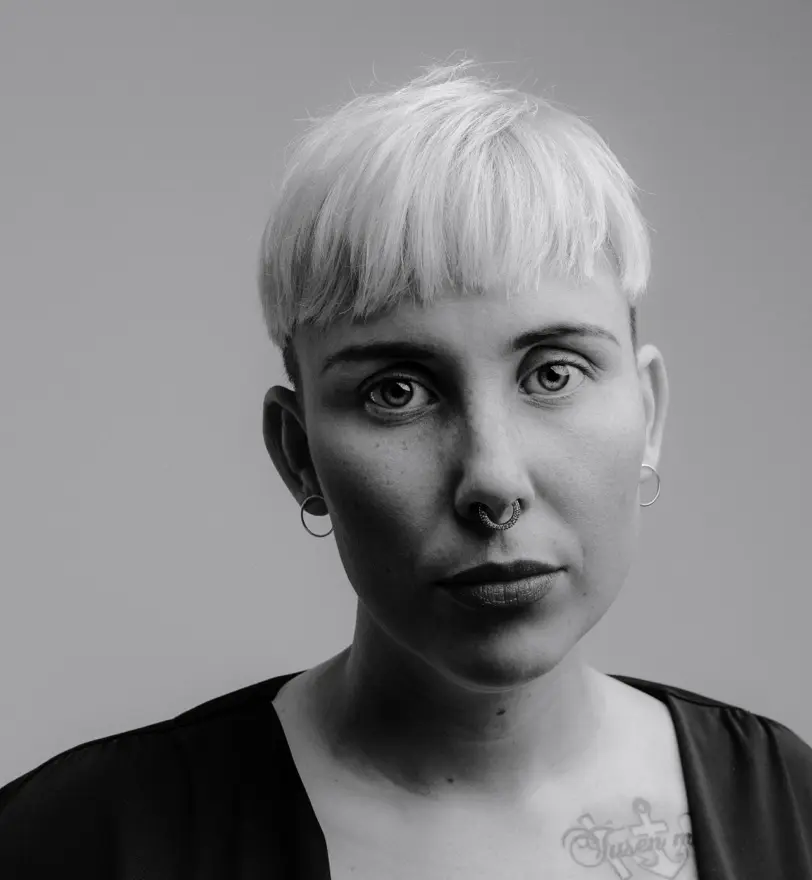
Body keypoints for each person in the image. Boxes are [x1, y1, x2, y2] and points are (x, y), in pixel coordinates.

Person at [1, 58, 811, 880]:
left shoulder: (794, 810)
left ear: (649, 414)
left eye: (552, 374)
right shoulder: (70, 845)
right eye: (398, 392)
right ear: (297, 454)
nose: (493, 482)